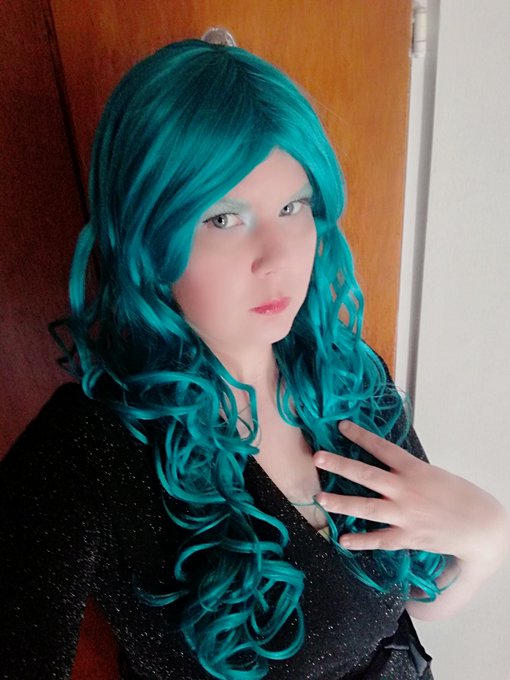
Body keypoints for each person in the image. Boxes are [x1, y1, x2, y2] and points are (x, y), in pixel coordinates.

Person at [0, 38, 508, 680]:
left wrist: (487, 540)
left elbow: (410, 602)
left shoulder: (347, 375)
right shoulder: (86, 453)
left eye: (293, 207)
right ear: (147, 236)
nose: (278, 258)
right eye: (223, 218)